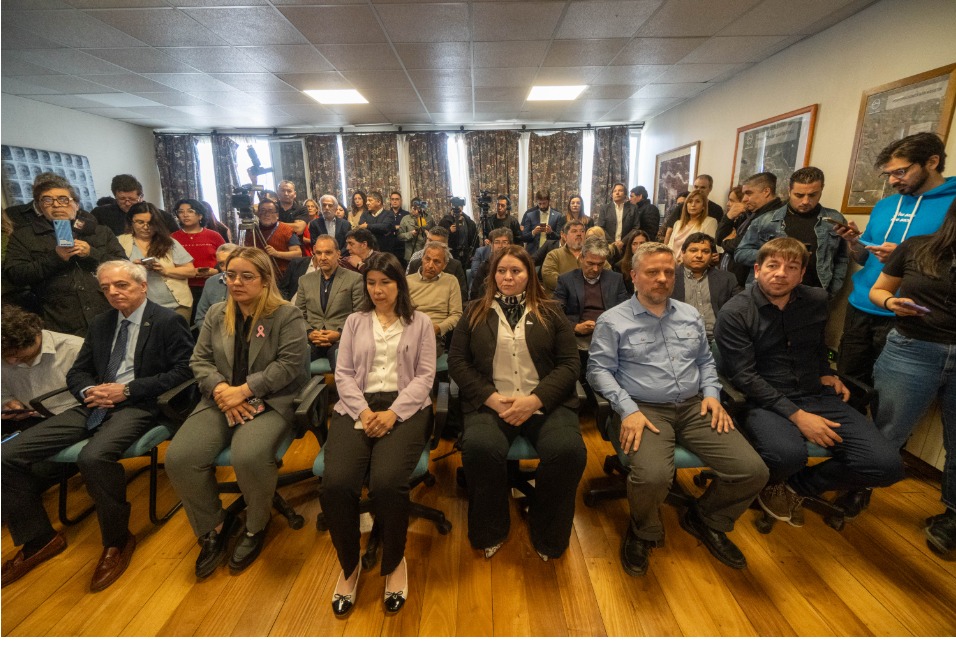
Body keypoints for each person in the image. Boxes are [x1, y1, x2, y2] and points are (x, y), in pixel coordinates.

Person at [1, 260, 194, 591]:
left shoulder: (167, 321)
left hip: (138, 404)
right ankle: (39, 539)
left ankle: (117, 541)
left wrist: (128, 389)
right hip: (93, 403)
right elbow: (78, 372)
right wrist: (90, 390)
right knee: (7, 454)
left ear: (142, 286)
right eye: (106, 287)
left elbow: (185, 372)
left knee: (93, 457)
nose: (113, 292)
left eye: (122, 285)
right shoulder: (102, 323)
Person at [587, 242, 767, 576]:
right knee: (653, 475)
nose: (662, 279)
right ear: (634, 276)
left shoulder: (690, 315)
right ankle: (644, 530)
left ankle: (707, 517)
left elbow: (704, 361)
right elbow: (598, 372)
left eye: (669, 272)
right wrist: (627, 409)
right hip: (644, 408)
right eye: (652, 272)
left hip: (693, 406)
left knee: (752, 470)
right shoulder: (613, 321)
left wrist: (712, 393)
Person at [714, 238, 903, 526]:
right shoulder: (735, 312)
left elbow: (815, 344)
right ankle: (775, 482)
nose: (781, 274)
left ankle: (798, 487)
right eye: (773, 266)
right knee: (787, 455)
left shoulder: (815, 300)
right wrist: (798, 416)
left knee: (887, 465)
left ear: (802, 274)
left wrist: (826, 370)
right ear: (757, 268)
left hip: (816, 392)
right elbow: (744, 376)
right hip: (765, 399)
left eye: (791, 268)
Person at [165, 247, 310, 579]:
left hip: (272, 399)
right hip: (219, 397)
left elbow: (288, 367)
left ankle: (255, 527)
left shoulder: (286, 315)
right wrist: (220, 390)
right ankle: (213, 527)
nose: (236, 282)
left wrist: (242, 391)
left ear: (265, 279)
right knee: (180, 457)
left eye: (247, 276)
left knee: (248, 454)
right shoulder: (217, 313)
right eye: (230, 275)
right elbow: (199, 361)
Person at [448, 246, 586, 562]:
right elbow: (457, 361)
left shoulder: (552, 311)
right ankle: (490, 530)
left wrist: (535, 400)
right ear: (491, 274)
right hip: (492, 402)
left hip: (544, 403)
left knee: (568, 451)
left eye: (516, 271)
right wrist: (491, 399)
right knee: (480, 448)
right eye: (501, 271)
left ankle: (548, 535)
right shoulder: (473, 311)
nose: (508, 277)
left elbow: (569, 364)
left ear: (529, 275)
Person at [321, 253, 436, 617]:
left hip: (405, 407)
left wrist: (392, 413)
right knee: (336, 483)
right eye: (371, 283)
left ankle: (395, 561)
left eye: (385, 282)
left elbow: (425, 377)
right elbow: (343, 375)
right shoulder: (355, 322)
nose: (377, 290)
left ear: (399, 284)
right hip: (358, 406)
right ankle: (349, 566)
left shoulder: (420, 323)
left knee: (387, 483)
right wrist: (366, 412)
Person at [869, 197, 956, 556]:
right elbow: (879, 290)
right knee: (887, 431)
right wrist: (892, 304)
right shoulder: (917, 248)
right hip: (913, 350)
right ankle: (858, 487)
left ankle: (952, 516)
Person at [833, 132, 955, 386]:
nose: (891, 180)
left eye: (899, 172)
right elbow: (865, 259)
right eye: (887, 174)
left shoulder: (952, 204)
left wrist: (904, 254)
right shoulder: (886, 205)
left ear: (931, 162)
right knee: (847, 382)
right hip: (861, 306)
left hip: (909, 317)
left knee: (889, 393)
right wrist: (854, 243)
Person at [2, 176, 126, 337]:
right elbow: (15, 275)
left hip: (108, 315)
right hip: (60, 323)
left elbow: (124, 266)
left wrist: (92, 254)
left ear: (76, 204)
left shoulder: (100, 231)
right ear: (39, 206)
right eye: (47, 200)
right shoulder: (24, 237)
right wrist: (55, 257)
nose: (56, 204)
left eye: (63, 199)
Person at [734, 167, 849, 297]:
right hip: (770, 295)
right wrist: (777, 255)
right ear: (789, 191)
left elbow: (841, 258)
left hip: (814, 296)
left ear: (821, 190)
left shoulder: (835, 220)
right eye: (799, 195)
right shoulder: (765, 220)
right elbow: (740, 253)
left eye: (812, 195)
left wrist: (831, 291)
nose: (805, 201)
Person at [2, 305, 84, 431]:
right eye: (4, 356)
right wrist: (9, 404)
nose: (11, 361)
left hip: (73, 418)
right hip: (27, 421)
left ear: (33, 338)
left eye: (15, 354)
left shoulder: (74, 349)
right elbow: (3, 394)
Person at [295, 235, 364, 368]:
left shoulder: (355, 279)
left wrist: (339, 334)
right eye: (319, 253)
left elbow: (359, 315)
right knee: (291, 361)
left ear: (338, 254)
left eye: (328, 252)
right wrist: (309, 333)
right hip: (313, 338)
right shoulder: (304, 280)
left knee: (342, 361)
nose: (322, 257)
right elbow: (298, 315)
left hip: (342, 339)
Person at [118, 202, 195, 321]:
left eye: (150, 223)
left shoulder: (169, 242)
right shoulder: (121, 242)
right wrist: (132, 268)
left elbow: (191, 271)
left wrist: (164, 270)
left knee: (177, 338)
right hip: (140, 307)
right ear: (131, 222)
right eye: (140, 222)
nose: (145, 227)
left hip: (176, 305)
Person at [554, 235, 628, 353]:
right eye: (590, 263)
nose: (595, 269)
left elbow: (625, 311)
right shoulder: (566, 280)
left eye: (600, 264)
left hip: (610, 334)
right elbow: (556, 314)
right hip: (577, 336)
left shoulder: (616, 279)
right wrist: (575, 327)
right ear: (581, 258)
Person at [672, 233, 740, 344]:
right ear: (683, 253)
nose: (699, 255)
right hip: (680, 340)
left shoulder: (727, 279)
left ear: (712, 255)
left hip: (719, 340)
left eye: (705, 251)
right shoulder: (669, 279)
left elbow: (740, 311)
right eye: (693, 250)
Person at [717, 173, 782, 287]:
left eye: (749, 193)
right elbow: (718, 238)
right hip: (734, 281)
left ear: (766, 191)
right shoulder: (750, 214)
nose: (745, 199)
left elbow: (738, 247)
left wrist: (725, 242)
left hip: (750, 283)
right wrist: (728, 217)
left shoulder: (772, 217)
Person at [171, 199, 226, 318]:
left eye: (190, 211)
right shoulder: (173, 238)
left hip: (213, 285)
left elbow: (228, 259)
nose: (185, 215)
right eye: (181, 212)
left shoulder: (214, 236)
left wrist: (215, 271)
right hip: (183, 288)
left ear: (200, 215)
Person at [407, 242, 463, 356]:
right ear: (422, 259)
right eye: (427, 259)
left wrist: (437, 328)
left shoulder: (451, 281)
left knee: (413, 352)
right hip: (410, 330)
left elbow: (456, 315)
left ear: (445, 265)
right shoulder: (407, 281)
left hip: (435, 335)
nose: (430, 265)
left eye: (437, 261)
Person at [90, 174, 178, 236]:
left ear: (141, 197)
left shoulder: (163, 216)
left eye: (132, 199)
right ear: (115, 196)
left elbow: (176, 241)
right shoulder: (100, 214)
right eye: (122, 199)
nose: (127, 203)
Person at [241, 198, 303, 278]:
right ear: (258, 214)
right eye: (263, 211)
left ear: (277, 215)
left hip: (281, 276)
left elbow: (298, 254)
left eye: (270, 211)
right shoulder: (251, 230)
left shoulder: (286, 230)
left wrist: (277, 253)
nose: (267, 214)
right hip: (257, 275)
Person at [406, 226, 468, 296]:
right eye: (429, 240)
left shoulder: (454, 266)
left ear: (445, 245)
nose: (429, 244)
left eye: (435, 243)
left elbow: (462, 294)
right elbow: (407, 288)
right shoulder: (415, 261)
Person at [194, 243, 239, 329]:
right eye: (221, 264)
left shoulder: (248, 283)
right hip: (213, 335)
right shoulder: (211, 282)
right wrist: (212, 336)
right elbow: (200, 318)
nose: (226, 268)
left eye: (230, 261)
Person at [541, 220, 589, 294]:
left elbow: (607, 272)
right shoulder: (554, 255)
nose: (579, 234)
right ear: (564, 236)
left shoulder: (592, 254)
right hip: (561, 300)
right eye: (574, 231)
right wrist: (577, 286)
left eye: (582, 231)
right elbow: (549, 277)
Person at [667, 189, 719, 256]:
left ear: (703, 206)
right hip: (674, 263)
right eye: (690, 201)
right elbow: (670, 245)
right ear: (686, 205)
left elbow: (708, 248)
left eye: (697, 201)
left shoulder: (710, 222)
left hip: (695, 263)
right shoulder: (678, 223)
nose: (693, 205)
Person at [469, 228, 513, 301]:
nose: (500, 246)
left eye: (505, 242)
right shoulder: (484, 266)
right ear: (491, 245)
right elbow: (475, 293)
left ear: (510, 244)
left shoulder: (517, 264)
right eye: (497, 242)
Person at [520, 189, 563, 256]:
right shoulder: (530, 215)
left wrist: (551, 232)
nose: (542, 206)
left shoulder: (558, 216)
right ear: (536, 202)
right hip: (533, 253)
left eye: (544, 203)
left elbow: (560, 237)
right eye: (539, 204)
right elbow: (523, 237)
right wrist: (533, 232)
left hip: (551, 253)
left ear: (549, 201)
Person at [593, 182, 636, 250]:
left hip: (626, 245)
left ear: (625, 194)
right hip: (608, 246)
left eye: (620, 191)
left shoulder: (633, 208)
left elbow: (635, 228)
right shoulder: (604, 208)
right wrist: (613, 243)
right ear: (612, 195)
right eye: (615, 191)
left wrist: (623, 242)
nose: (617, 193)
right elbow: (601, 228)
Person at [439, 200, 479, 269]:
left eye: (460, 207)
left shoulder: (469, 222)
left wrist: (474, 254)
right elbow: (439, 238)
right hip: (451, 255)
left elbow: (475, 239)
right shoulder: (444, 222)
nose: (458, 209)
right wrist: (449, 231)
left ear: (463, 207)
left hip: (467, 255)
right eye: (455, 207)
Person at [360, 191, 398, 258]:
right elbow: (362, 228)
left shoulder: (389, 214)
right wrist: (378, 228)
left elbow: (384, 228)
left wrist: (367, 226)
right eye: (367, 201)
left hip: (384, 253)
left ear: (379, 202)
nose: (367, 203)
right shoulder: (365, 214)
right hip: (368, 252)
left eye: (370, 200)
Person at [398, 198, 435, 262]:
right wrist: (410, 234)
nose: (416, 209)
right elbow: (399, 236)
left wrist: (428, 234)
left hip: (426, 254)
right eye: (414, 207)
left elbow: (435, 234)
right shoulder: (405, 219)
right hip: (411, 255)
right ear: (411, 207)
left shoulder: (429, 218)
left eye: (418, 207)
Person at [617, 229, 651, 294]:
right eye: (634, 244)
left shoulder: (655, 264)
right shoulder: (620, 266)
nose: (638, 247)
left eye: (642, 243)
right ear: (630, 247)